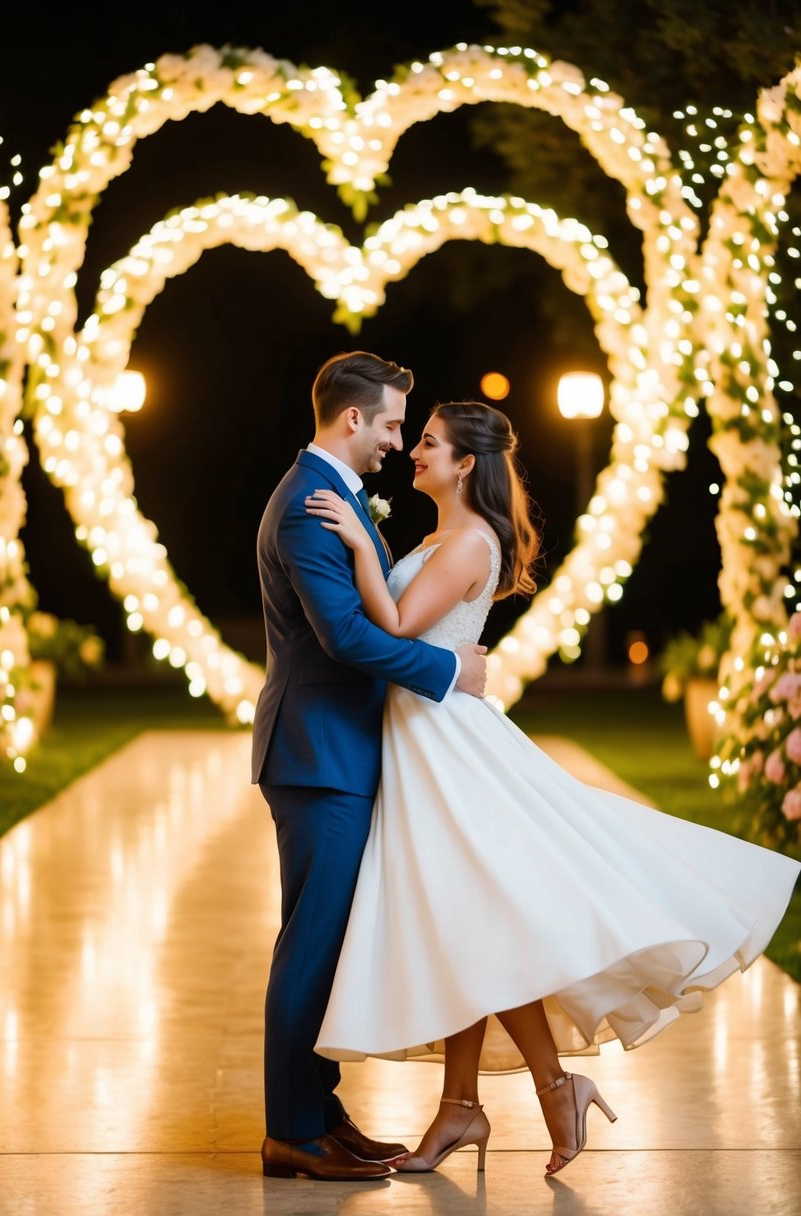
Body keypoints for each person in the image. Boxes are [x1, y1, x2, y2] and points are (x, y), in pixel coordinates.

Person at [307, 400, 801, 1177]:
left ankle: (537, 1089)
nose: (414, 453)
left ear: (466, 463)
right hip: (421, 740)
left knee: (474, 920)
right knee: (461, 924)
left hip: (446, 749)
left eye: (428, 443)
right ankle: (469, 1105)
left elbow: (398, 626)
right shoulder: (444, 534)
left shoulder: (469, 539)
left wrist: (358, 551)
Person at [252, 353, 488, 1182]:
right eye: (391, 424)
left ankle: (320, 1114)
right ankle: (293, 1131)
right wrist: (450, 672)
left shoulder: (336, 497)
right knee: (310, 946)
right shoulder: (308, 508)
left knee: (323, 943)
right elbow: (345, 638)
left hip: (336, 748)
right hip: (319, 752)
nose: (397, 441)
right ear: (352, 420)